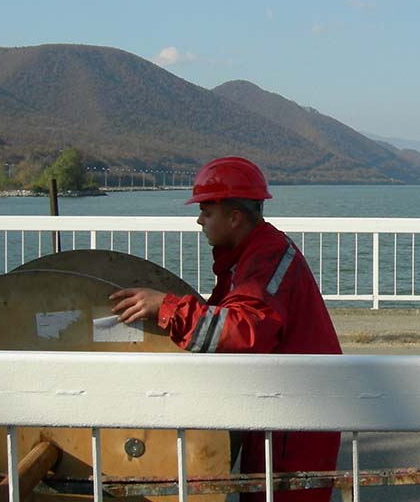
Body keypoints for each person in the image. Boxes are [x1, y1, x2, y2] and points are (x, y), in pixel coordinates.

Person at [109, 156, 342, 502]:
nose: (199, 220)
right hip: (282, 406)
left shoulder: (266, 257)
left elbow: (243, 330)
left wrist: (166, 307)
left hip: (297, 414)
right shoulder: (250, 254)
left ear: (234, 218)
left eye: (206, 211)